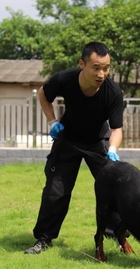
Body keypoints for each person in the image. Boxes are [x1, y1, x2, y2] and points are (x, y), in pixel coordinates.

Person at [25, 41, 124, 255]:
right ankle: (44, 238)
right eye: (96, 67)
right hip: (68, 139)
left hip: (98, 142)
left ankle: (116, 233)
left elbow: (117, 129)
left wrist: (113, 149)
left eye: (106, 68)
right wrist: (52, 121)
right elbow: (43, 94)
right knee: (55, 191)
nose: (101, 74)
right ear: (82, 64)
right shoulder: (65, 79)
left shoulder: (113, 93)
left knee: (114, 188)